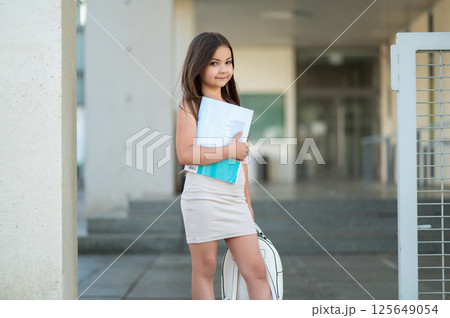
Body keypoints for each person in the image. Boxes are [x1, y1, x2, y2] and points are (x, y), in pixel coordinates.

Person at [175, 32, 273, 300]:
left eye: (228, 62)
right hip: (203, 195)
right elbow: (185, 153)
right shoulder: (190, 105)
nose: (223, 69)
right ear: (198, 66)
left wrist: (247, 201)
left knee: (256, 271)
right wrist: (228, 150)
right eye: (214, 63)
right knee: (205, 269)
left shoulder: (232, 107)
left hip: (234, 198)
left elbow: (239, 161)